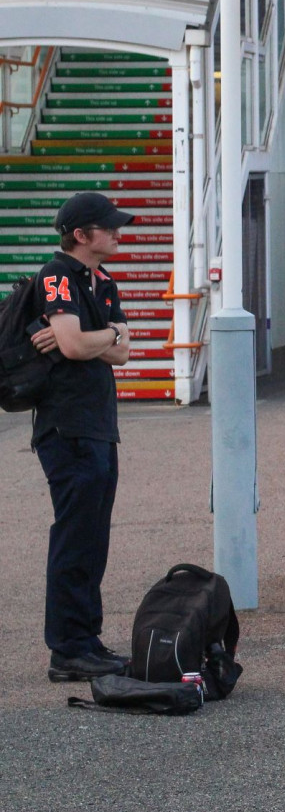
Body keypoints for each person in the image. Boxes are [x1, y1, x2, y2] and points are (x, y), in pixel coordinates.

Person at [31, 192, 135, 682]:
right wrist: (108, 335)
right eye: (107, 226)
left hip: (98, 426)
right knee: (75, 536)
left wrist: (106, 338)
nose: (117, 232)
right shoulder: (56, 276)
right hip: (67, 426)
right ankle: (68, 648)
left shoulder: (102, 281)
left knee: (94, 536)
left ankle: (86, 640)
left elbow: (123, 353)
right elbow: (73, 345)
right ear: (81, 234)